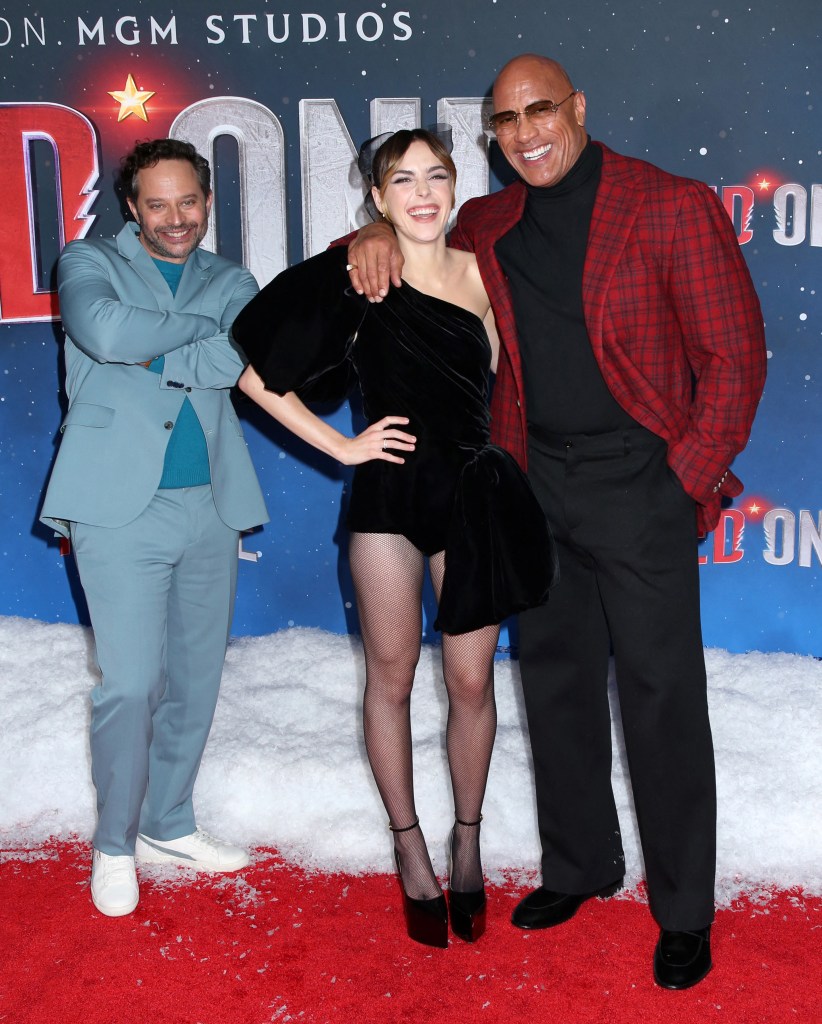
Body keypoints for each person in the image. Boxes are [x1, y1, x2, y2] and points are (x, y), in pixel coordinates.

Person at [344, 56, 767, 988]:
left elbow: (735, 358)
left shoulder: (669, 204)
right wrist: (372, 227)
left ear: (577, 108)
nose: (527, 130)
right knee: (556, 684)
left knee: (661, 697)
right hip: (533, 486)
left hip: (640, 485)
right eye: (506, 119)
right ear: (492, 135)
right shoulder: (491, 221)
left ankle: (684, 910)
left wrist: (679, 481)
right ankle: (581, 867)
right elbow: (414, 235)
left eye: (541, 109)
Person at [232, 128, 557, 948]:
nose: (421, 192)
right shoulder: (360, 271)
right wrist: (344, 447)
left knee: (472, 684)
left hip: (469, 496)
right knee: (391, 676)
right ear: (377, 200)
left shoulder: (490, 275)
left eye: (436, 176)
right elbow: (254, 375)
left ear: (455, 189)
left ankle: (468, 842)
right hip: (385, 497)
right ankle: (410, 847)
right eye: (401, 180)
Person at [41, 139, 269, 918]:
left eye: (190, 202)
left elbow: (241, 358)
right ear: (131, 208)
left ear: (208, 202)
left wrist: (155, 347)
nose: (176, 219)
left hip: (210, 503)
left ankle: (169, 822)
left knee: (194, 683)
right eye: (158, 203)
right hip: (114, 505)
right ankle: (114, 842)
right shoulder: (85, 261)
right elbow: (103, 335)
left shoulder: (233, 278)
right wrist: (188, 337)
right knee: (132, 683)